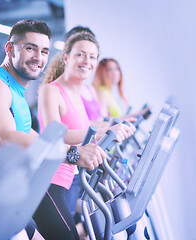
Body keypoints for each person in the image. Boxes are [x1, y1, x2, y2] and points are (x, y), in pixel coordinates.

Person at [0, 19, 108, 240]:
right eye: (30, 48)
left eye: (44, 51)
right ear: (9, 48)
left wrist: (74, 148)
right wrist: (72, 153)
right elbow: (4, 138)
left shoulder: (15, 91)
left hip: (4, 204)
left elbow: (30, 135)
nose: (38, 57)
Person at [34, 31, 136, 240]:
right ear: (66, 57)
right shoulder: (50, 91)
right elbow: (54, 135)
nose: (86, 61)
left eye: (92, 57)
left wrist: (113, 127)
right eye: (80, 54)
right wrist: (103, 132)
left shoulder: (77, 94)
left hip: (69, 181)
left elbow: (85, 129)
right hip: (48, 183)